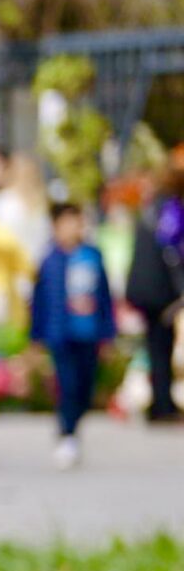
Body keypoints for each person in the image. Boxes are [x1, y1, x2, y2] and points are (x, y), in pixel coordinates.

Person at [31, 203, 114, 470]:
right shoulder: (49, 260)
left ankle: (73, 426)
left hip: (88, 334)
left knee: (85, 386)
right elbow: (39, 301)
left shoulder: (93, 256)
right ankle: (67, 432)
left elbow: (105, 298)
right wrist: (36, 338)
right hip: (61, 335)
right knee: (67, 385)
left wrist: (108, 334)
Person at [125, 152, 184, 425]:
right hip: (159, 290)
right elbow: (173, 250)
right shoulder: (169, 210)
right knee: (160, 345)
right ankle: (162, 404)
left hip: (146, 286)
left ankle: (161, 401)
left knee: (156, 345)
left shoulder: (152, 207)